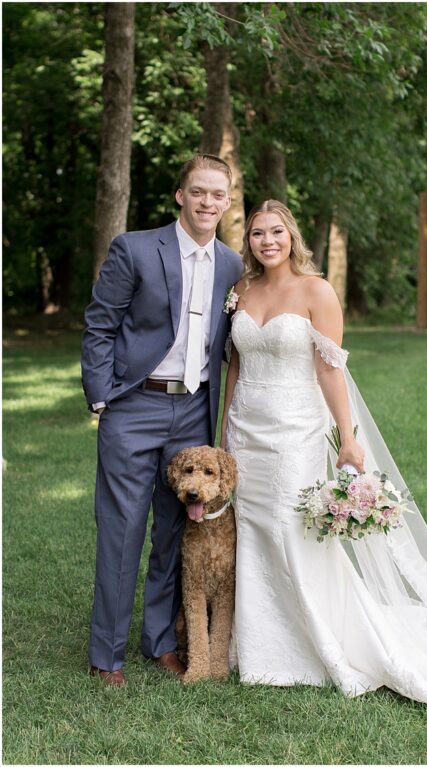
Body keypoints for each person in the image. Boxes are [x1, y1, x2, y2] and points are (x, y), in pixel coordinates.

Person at [221, 200, 427, 713]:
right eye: (258, 233)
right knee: (253, 530)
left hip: (295, 430)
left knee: (294, 532)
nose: (268, 241)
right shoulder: (241, 291)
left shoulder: (316, 291)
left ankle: (319, 643)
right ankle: (260, 646)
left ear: (293, 238)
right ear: (249, 242)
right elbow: (235, 368)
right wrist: (225, 430)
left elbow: (331, 371)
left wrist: (348, 438)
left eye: (277, 232)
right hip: (247, 428)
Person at [81, 154, 243, 686]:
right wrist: (102, 396)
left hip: (193, 409)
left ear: (227, 201)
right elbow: (101, 324)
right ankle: (106, 654)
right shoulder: (135, 248)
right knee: (122, 530)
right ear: (180, 195)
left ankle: (160, 641)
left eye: (217, 195)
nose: (206, 202)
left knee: (176, 533)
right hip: (134, 405)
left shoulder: (231, 265)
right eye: (198, 191)